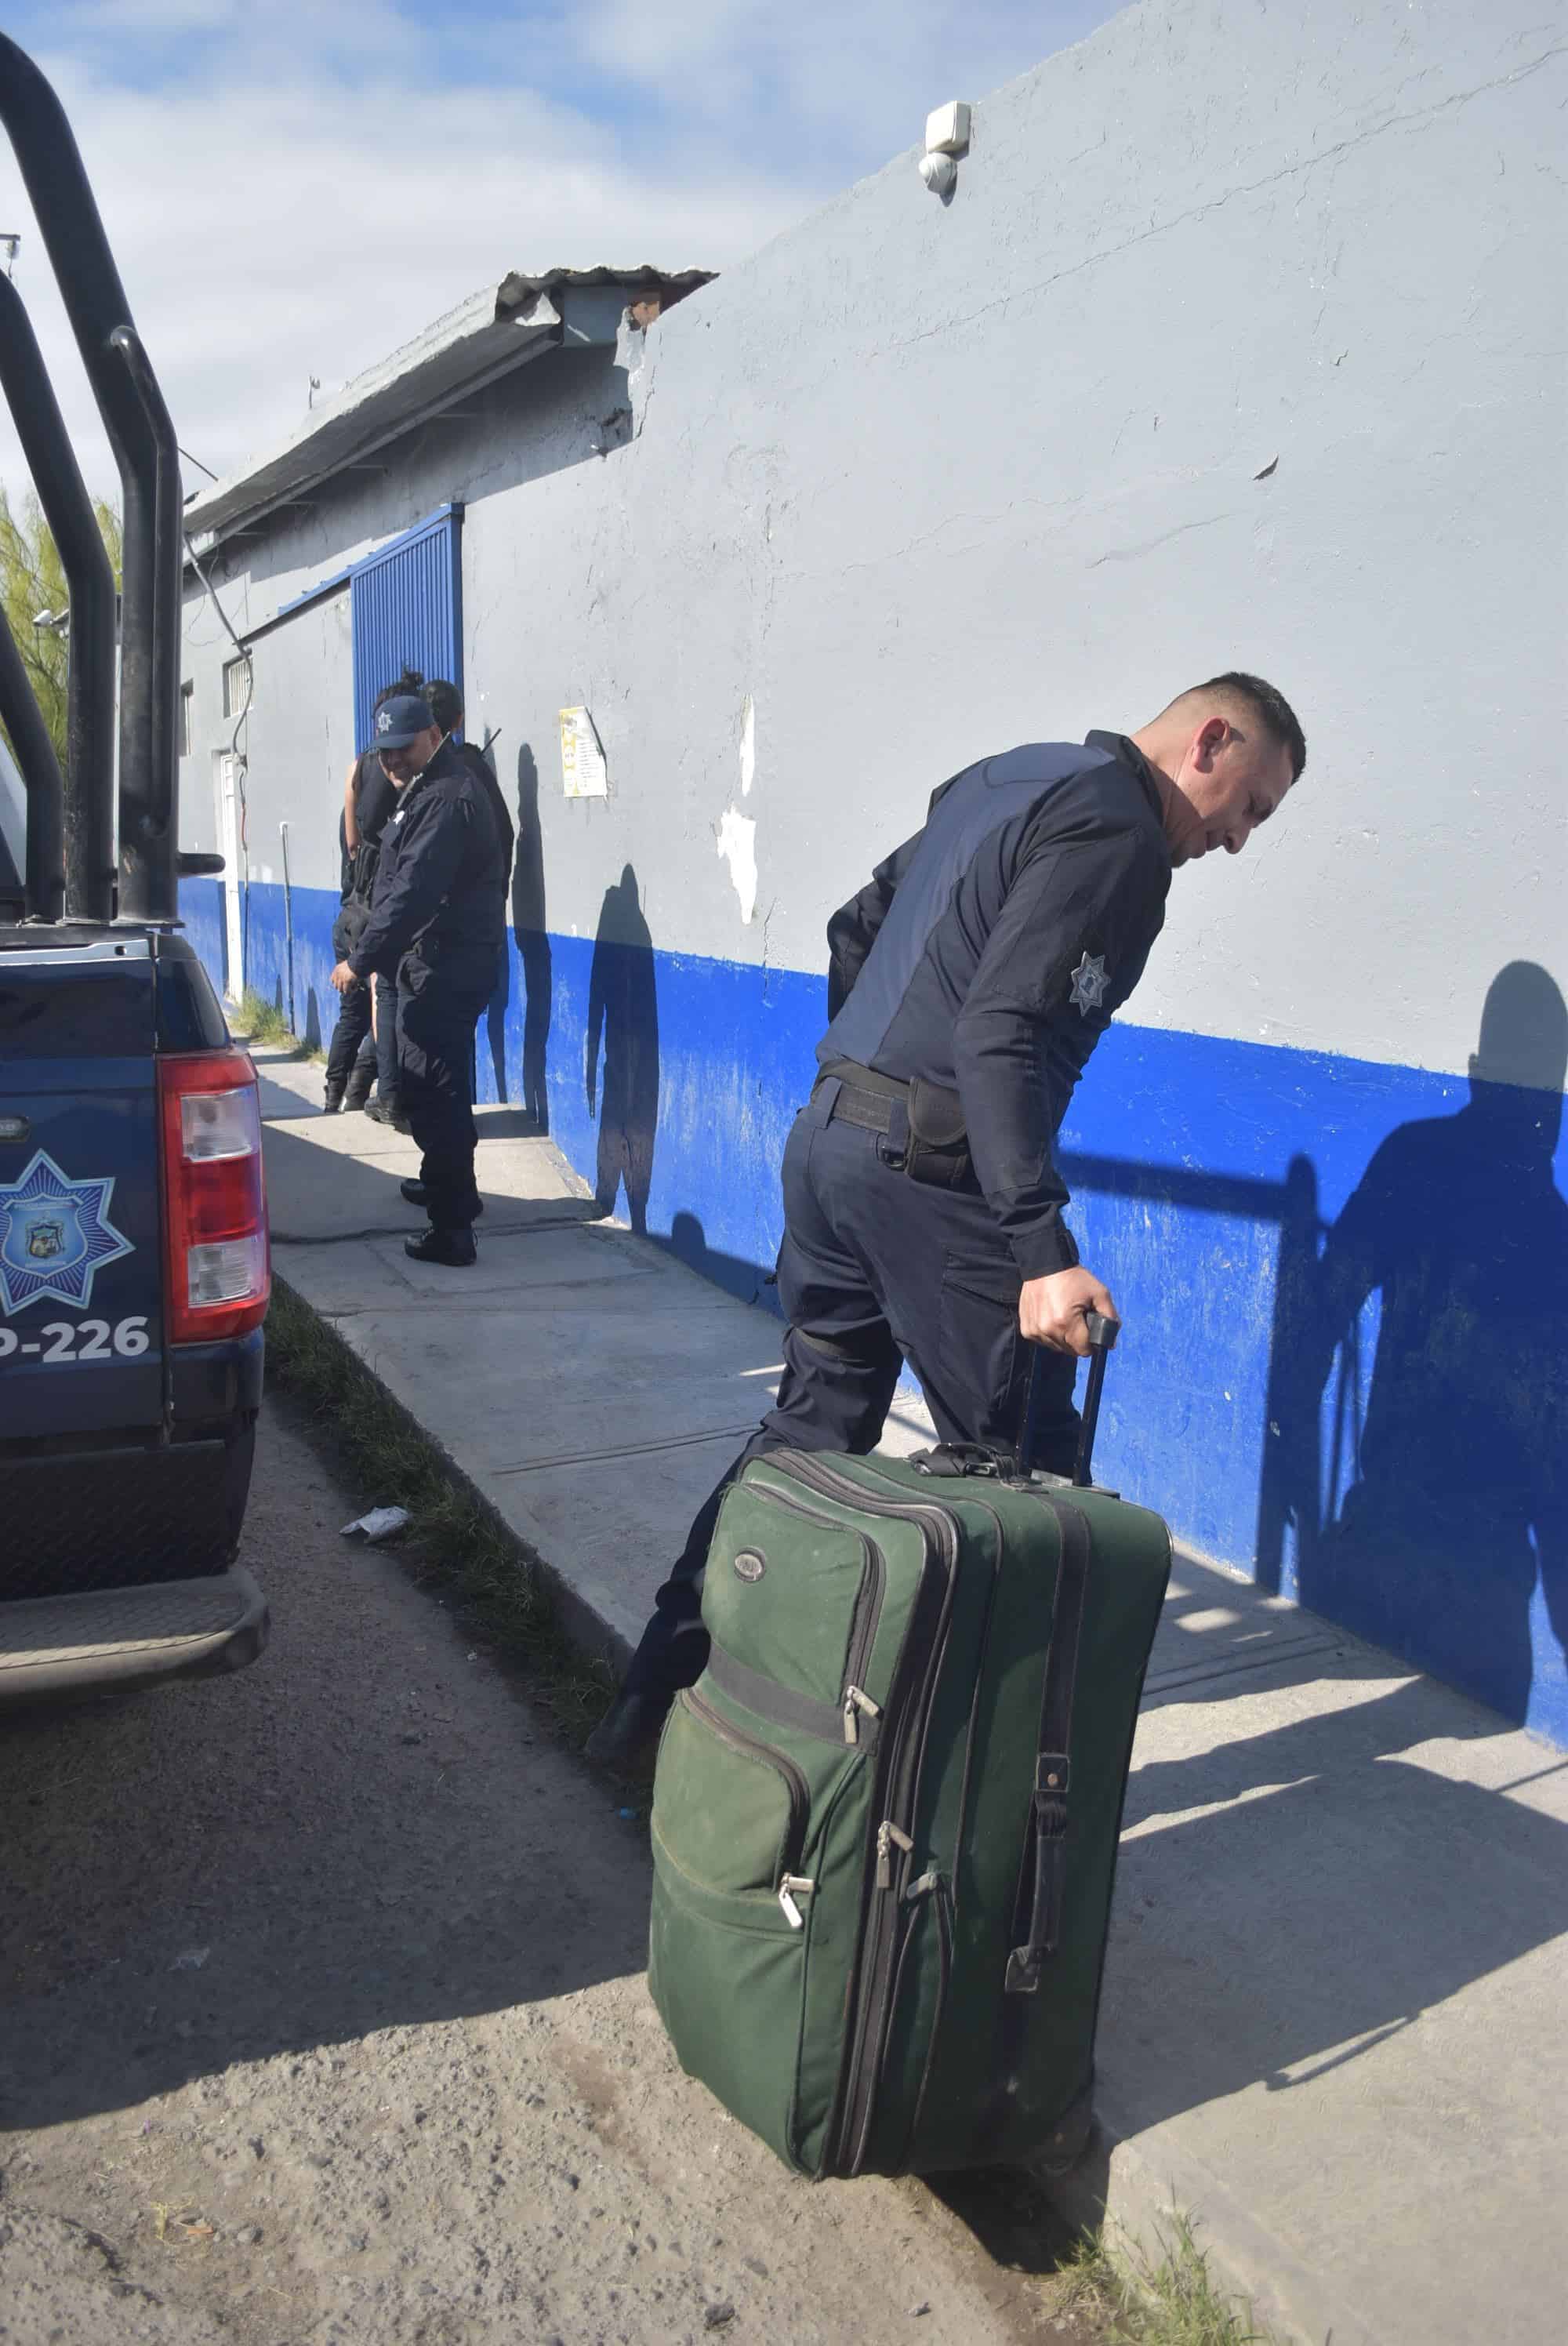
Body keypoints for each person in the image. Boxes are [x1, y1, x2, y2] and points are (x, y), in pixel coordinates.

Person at [585, 671, 1306, 1765]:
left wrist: (866, 1093)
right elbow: (1002, 1033)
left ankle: (655, 1712)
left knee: (808, 1435)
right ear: (1210, 740)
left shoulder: (1008, 774)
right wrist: (1040, 1250)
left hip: (830, 1141)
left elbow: (852, 929)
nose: (1239, 840)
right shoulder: (1120, 836)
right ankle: (994, 1785)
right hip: (928, 1176)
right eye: (1249, 807)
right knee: (1026, 1476)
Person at [328, 693, 503, 1266]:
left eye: (402, 749)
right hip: (437, 963)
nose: (392, 763)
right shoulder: (428, 791)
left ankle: (452, 1230)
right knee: (436, 1086)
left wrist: (361, 960)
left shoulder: (447, 798)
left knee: (436, 1093)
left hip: (447, 966)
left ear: (433, 734)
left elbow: (411, 893)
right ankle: (448, 1190)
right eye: (384, 755)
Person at [322, 677, 408, 1115]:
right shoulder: (396, 782)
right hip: (370, 912)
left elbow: (352, 845)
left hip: (349, 910)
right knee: (383, 1000)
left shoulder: (358, 770)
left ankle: (337, 1097)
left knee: (354, 1013)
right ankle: (373, 1092)